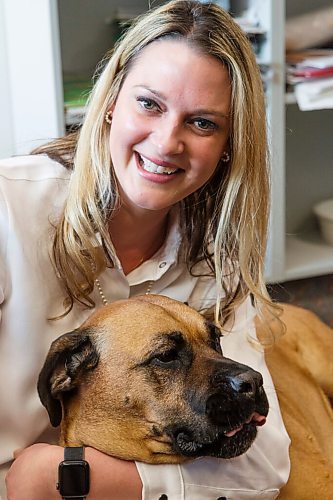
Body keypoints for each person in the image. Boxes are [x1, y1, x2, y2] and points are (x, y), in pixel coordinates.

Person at [1, 0, 290, 498]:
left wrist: (67, 477)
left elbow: (266, 466)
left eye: (202, 122)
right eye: (149, 104)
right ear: (110, 100)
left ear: (227, 145)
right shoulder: (8, 212)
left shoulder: (215, 260)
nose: (166, 141)